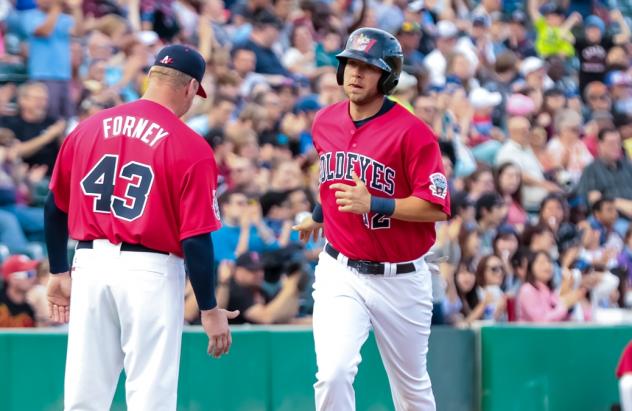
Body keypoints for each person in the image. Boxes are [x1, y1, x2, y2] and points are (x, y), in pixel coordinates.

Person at [43, 44, 238, 411]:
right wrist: (209, 307)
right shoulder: (190, 145)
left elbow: (54, 206)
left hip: (90, 264)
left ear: (152, 77)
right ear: (189, 87)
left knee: (84, 395)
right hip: (150, 270)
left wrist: (57, 269)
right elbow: (196, 238)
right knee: (151, 395)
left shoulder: (88, 127)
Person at [293, 28, 450, 411]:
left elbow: (437, 207)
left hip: (402, 278)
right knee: (332, 374)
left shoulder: (414, 133)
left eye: (368, 66)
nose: (355, 73)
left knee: (411, 389)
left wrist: (377, 203)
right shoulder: (325, 121)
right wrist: (319, 215)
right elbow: (333, 180)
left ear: (388, 76)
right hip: (340, 270)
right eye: (350, 64)